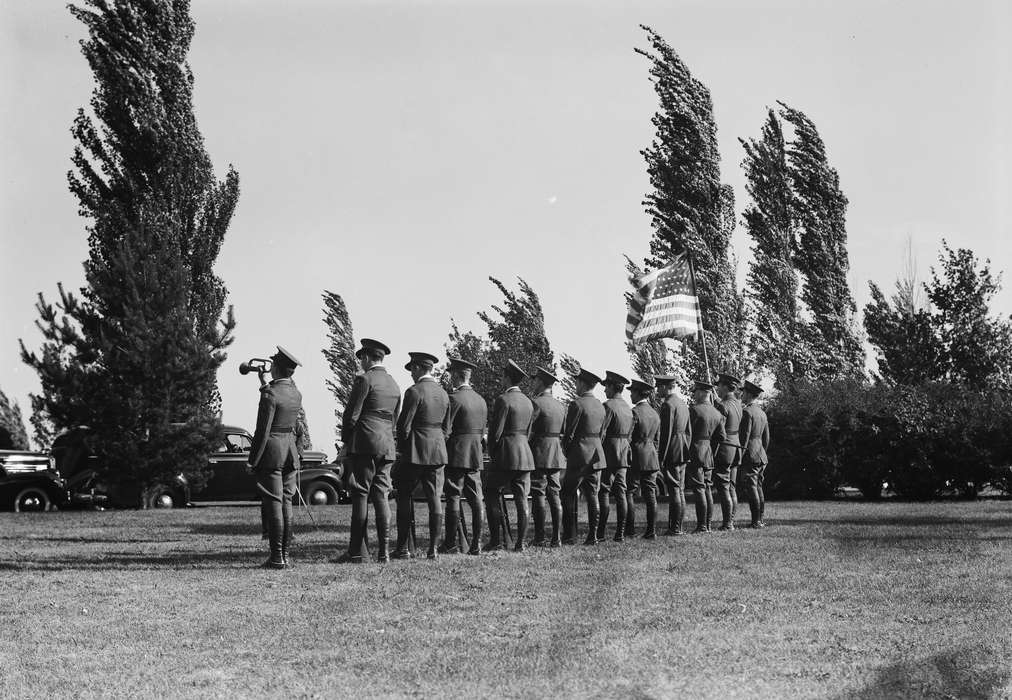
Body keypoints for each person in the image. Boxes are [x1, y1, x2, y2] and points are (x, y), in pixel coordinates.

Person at [338, 338, 401, 563]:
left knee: (360, 494)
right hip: (387, 445)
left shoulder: (364, 380)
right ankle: (384, 551)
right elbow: (395, 419)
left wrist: (345, 443)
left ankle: (357, 552)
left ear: (366, 357)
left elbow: (351, 416)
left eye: (361, 358)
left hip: (365, 443)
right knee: (382, 496)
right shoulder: (394, 384)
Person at [247, 346, 303, 570]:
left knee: (274, 503)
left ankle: (276, 557)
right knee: (286, 503)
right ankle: (285, 555)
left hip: (272, 452)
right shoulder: (295, 393)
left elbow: (263, 430)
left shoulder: (270, 393)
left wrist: (253, 460)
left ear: (276, 368)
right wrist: (264, 384)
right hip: (289, 451)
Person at [393, 352, 450, 560]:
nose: (411, 375)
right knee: (435, 498)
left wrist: (403, 448)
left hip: (415, 452)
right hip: (437, 451)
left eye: (412, 370)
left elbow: (403, 426)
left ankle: (403, 548)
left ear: (417, 368)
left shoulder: (414, 392)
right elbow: (447, 428)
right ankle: (433, 549)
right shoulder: (444, 394)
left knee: (405, 496)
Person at [484, 360, 536, 552]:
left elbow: (495, 433)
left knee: (491, 492)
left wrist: (494, 452)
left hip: (506, 454)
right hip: (525, 455)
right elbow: (529, 432)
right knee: (522, 498)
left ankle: (496, 540)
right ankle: (521, 543)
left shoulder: (503, 400)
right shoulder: (529, 402)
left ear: (507, 378)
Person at [440, 357, 487, 555]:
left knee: (453, 496)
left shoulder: (454, 398)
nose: (450, 379)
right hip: (475, 454)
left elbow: (446, 430)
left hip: (457, 453)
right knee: (477, 499)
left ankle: (451, 543)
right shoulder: (481, 400)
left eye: (452, 375)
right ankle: (477, 543)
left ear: (458, 376)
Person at [560, 368, 607, 545]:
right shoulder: (601, 406)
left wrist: (567, 450)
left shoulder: (577, 404)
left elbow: (569, 434)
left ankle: (570, 535)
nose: (575, 385)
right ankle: (592, 536)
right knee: (593, 495)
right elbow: (602, 433)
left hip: (579, 455)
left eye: (577, 382)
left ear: (582, 384)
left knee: (568, 494)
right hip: (596, 455)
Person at [528, 366, 566, 547]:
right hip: (556, 453)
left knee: (538, 494)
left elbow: (529, 431)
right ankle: (557, 537)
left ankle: (540, 537)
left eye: (535, 380)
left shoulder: (535, 403)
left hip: (540, 452)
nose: (533, 383)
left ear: (541, 382)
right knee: (555, 495)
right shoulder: (561, 405)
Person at [687, 380, 726, 533]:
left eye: (695, 391)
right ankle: (707, 524)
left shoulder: (694, 410)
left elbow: (687, 433)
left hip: (696, 451)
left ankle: (702, 526)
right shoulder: (717, 413)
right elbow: (721, 437)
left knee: (699, 489)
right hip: (708, 453)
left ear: (703, 392)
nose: (694, 394)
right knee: (707, 488)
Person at [598, 371, 633, 542]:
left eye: (606, 387)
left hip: (609, 453)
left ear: (612, 387)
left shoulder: (608, 406)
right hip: (624, 453)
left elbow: (601, 433)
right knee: (621, 493)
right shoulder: (628, 408)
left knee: (604, 491)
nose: (605, 391)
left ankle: (601, 533)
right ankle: (620, 533)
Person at [656, 375, 691, 536]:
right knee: (680, 489)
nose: (657, 390)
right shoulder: (682, 403)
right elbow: (689, 431)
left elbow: (666, 434)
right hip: (683, 448)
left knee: (675, 490)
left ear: (665, 387)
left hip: (672, 450)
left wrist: (661, 457)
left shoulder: (668, 405)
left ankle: (675, 528)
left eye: (658, 387)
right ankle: (678, 526)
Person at [626, 378, 661, 539]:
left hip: (636, 456)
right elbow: (657, 439)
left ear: (638, 393)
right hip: (651, 456)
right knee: (650, 494)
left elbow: (628, 436)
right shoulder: (655, 413)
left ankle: (630, 529)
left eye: (632, 392)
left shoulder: (634, 412)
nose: (631, 395)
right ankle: (651, 530)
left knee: (630, 492)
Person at [739, 380, 771, 528]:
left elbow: (744, 437)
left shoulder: (747, 412)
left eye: (743, 392)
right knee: (758, 486)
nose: (741, 394)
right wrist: (761, 451)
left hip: (751, 453)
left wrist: (740, 455)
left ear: (749, 394)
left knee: (752, 487)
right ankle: (760, 519)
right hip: (760, 453)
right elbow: (766, 438)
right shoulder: (762, 413)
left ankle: (756, 521)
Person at [714, 372, 743, 531]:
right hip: (736, 446)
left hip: (725, 447)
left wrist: (715, 407)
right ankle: (730, 520)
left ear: (725, 387)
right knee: (731, 486)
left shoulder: (722, 405)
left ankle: (728, 523)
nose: (717, 388)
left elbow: (719, 429)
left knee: (724, 486)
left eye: (719, 385)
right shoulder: (737, 403)